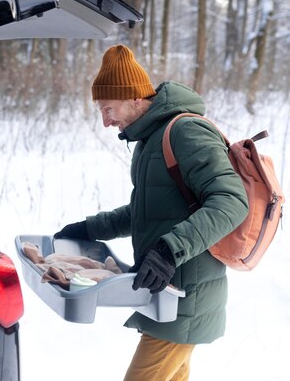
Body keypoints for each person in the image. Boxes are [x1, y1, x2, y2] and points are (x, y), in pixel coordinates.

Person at [54, 44, 249, 381]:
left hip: (186, 294)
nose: (105, 121)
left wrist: (168, 250)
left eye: (108, 108)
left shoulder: (185, 132)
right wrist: (91, 228)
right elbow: (146, 210)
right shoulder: (149, 140)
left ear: (133, 99)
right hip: (165, 294)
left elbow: (232, 201)